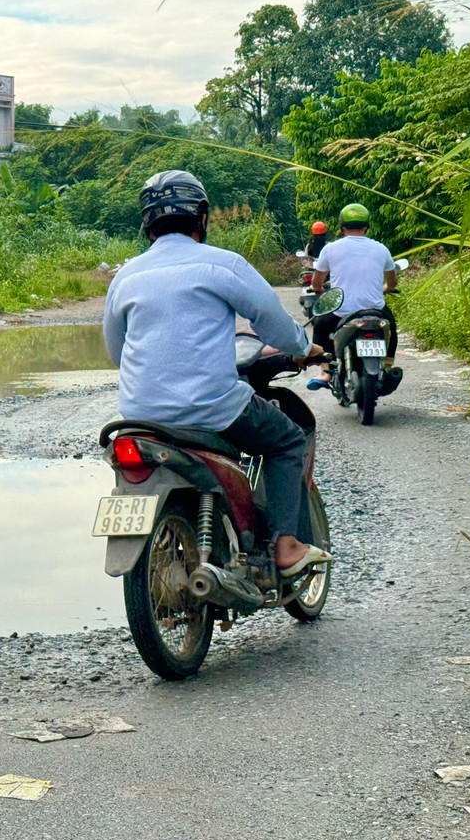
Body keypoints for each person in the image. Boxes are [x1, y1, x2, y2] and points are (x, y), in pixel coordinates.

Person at [103, 170, 330, 577]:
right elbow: (272, 324)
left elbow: (117, 352)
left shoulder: (125, 276)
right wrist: (302, 346)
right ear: (202, 217)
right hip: (211, 409)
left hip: (139, 417)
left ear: (147, 222)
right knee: (287, 441)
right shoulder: (222, 264)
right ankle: (286, 543)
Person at [306, 203, 398, 391]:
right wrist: (385, 288)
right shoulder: (381, 249)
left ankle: (326, 371)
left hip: (342, 311)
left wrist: (317, 289)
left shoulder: (330, 249)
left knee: (321, 326)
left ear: (342, 227)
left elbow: (317, 282)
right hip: (375, 311)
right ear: (366, 227)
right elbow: (392, 282)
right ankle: (387, 367)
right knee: (392, 329)